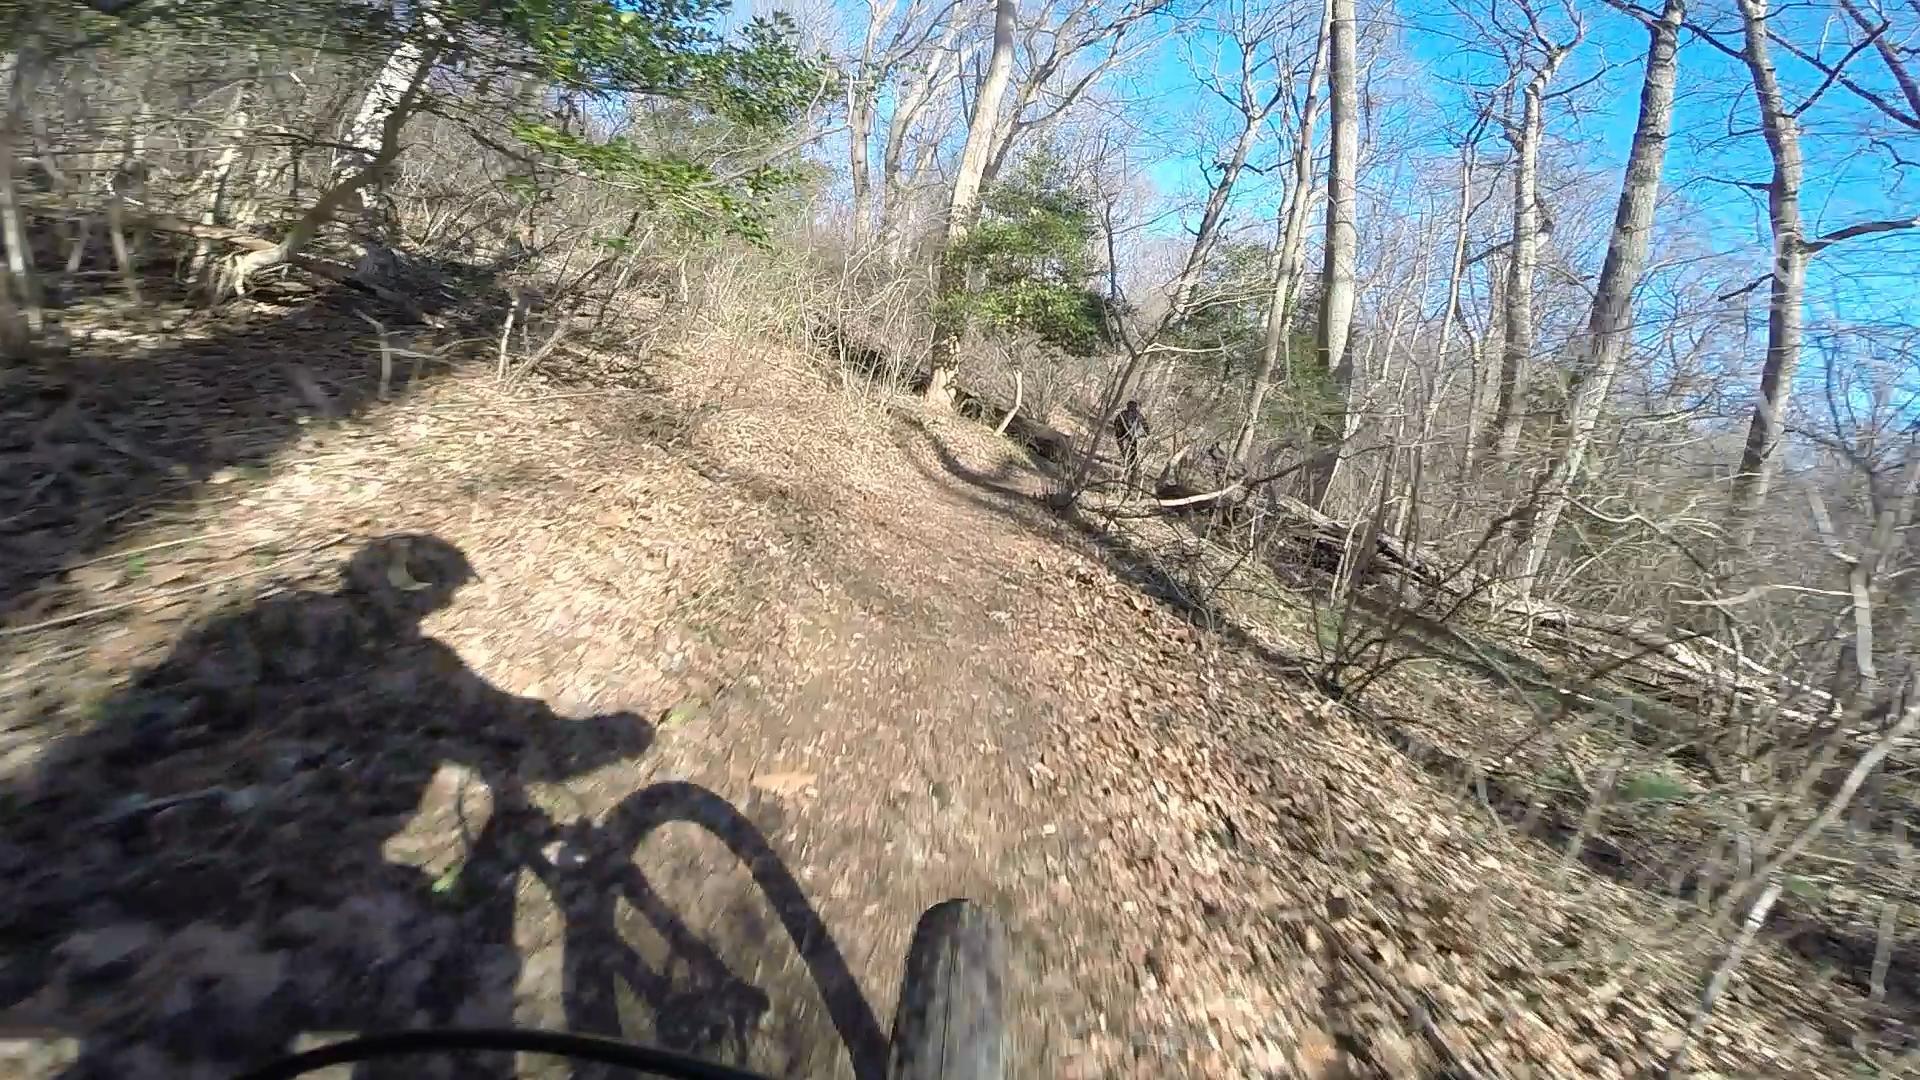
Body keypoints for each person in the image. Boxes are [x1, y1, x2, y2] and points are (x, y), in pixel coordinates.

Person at [0, 534, 655, 1079]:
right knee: (462, 986)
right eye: (442, 591)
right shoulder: (419, 672)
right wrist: (623, 734)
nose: (443, 600)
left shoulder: (261, 626)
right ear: (425, 598)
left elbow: (127, 731)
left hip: (131, 887)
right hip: (282, 909)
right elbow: (535, 742)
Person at [1112, 399, 1150, 488]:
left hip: (1124, 437)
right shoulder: (1136, 415)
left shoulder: (1124, 414)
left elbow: (1115, 423)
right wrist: (1146, 433)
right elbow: (1146, 427)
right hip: (1127, 437)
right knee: (1131, 456)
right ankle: (1129, 468)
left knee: (1128, 455)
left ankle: (1128, 466)